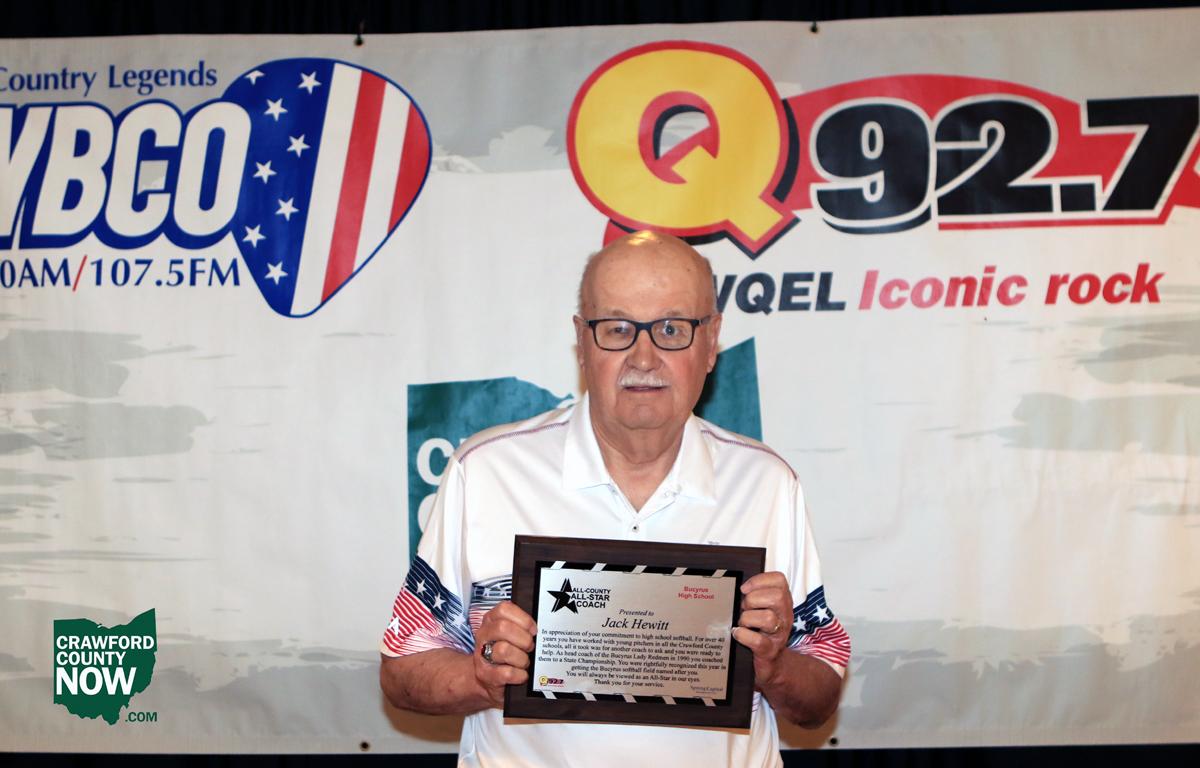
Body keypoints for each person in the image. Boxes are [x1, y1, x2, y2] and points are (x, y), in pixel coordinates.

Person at [380, 231, 849, 766]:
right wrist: (479, 677)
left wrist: (774, 668)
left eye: (672, 329)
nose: (644, 357)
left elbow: (821, 693)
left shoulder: (766, 483)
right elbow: (400, 669)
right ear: (582, 342)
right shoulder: (487, 471)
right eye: (618, 329)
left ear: (712, 341)